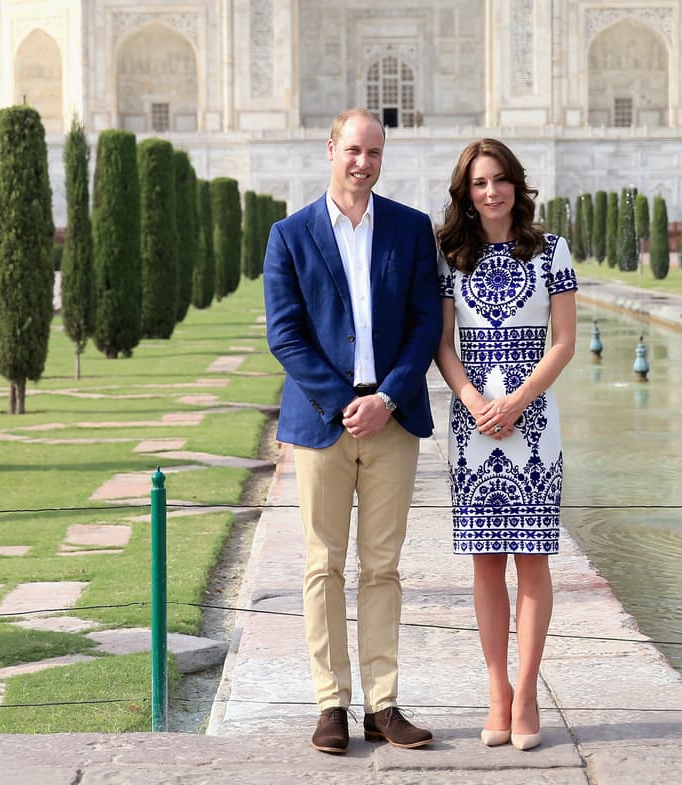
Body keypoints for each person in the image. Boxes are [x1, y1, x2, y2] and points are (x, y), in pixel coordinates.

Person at [262, 108, 442, 754]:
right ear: (330, 148)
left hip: (392, 420)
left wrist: (388, 396)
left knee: (383, 565)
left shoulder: (411, 229)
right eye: (353, 149)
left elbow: (426, 324)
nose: (362, 161)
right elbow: (286, 334)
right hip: (322, 421)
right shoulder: (290, 235)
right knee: (323, 564)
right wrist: (347, 402)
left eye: (374, 150)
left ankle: (383, 703)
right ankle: (330, 701)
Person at [434, 139, 577, 751]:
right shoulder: (451, 256)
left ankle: (527, 692)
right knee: (486, 565)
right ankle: (497, 692)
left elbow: (564, 342)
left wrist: (516, 401)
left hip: (533, 423)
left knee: (533, 561)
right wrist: (471, 398)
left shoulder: (551, 252)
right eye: (478, 183)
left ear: (517, 185)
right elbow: (443, 343)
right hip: (473, 425)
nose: (490, 192)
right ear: (466, 193)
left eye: (499, 180)